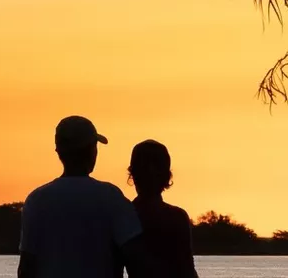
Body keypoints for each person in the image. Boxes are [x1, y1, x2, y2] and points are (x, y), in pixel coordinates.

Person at [19, 116, 148, 278]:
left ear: (58, 151)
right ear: (91, 151)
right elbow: (136, 262)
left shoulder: (36, 201)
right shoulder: (111, 197)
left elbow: (26, 267)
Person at [127, 140, 198, 278]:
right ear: (166, 177)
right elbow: (187, 269)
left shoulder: (124, 215)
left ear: (133, 175)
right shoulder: (177, 217)